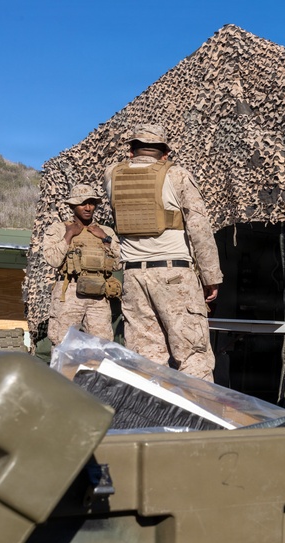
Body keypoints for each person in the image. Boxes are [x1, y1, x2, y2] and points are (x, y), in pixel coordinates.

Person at [103, 124, 222, 381]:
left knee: (145, 362)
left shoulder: (112, 174)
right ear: (165, 153)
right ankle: (200, 420)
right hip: (174, 275)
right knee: (192, 356)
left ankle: (151, 418)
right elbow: (199, 228)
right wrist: (211, 276)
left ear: (131, 150)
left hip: (134, 278)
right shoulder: (177, 175)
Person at [42, 184, 120, 345]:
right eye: (82, 203)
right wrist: (69, 235)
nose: (88, 207)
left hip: (99, 294)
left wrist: (105, 238)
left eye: (91, 203)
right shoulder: (58, 229)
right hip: (70, 291)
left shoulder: (106, 231)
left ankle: (95, 372)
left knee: (102, 346)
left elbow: (119, 263)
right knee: (63, 343)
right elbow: (53, 260)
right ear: (72, 205)